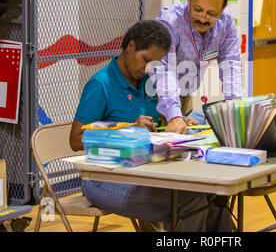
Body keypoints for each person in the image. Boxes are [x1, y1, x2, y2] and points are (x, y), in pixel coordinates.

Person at [69, 20, 232, 232]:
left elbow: (159, 125)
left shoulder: (149, 82)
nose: (148, 68)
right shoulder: (101, 85)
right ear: (130, 47)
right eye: (146, 60)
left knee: (215, 193)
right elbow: (75, 140)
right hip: (104, 179)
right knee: (191, 202)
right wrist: (127, 129)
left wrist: (179, 121)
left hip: (145, 172)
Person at [153, 0, 243, 134]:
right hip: (154, 96)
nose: (202, 18)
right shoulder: (169, 22)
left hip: (185, 95)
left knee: (186, 149)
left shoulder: (226, 21)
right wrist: (174, 116)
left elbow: (231, 63)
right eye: (198, 10)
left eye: (211, 13)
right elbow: (163, 70)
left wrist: (234, 104)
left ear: (222, 9)